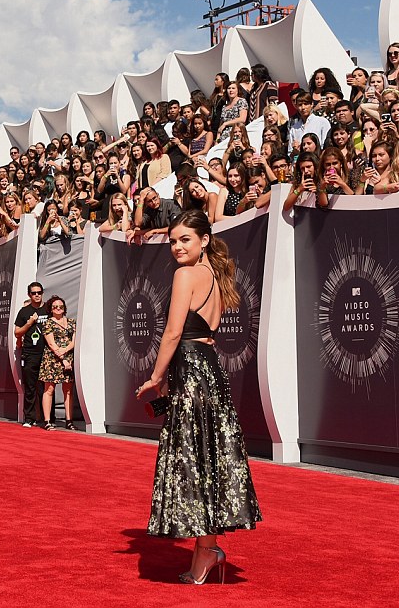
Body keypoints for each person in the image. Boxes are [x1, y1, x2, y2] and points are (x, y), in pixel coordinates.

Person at [136, 210, 261, 584]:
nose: (176, 247)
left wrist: (156, 377)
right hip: (210, 370)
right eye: (173, 241)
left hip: (190, 371)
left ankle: (206, 551)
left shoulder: (185, 275)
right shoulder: (216, 277)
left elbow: (173, 333)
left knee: (192, 457)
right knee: (207, 457)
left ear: (204, 240)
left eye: (185, 239)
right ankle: (205, 551)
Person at [39, 296, 77, 431]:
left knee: (68, 390)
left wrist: (66, 351)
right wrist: (63, 358)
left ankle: (69, 421)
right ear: (50, 309)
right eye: (55, 307)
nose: (58, 309)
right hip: (52, 360)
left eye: (61, 306)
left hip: (69, 358)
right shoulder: (48, 323)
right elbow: (51, 343)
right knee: (49, 390)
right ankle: (47, 421)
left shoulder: (72, 322)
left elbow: (74, 341)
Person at [14, 282, 48, 428]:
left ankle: (46, 419)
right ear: (29, 295)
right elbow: (17, 333)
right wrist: (29, 323)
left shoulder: (48, 309)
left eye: (39, 292)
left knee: (46, 388)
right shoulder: (24, 311)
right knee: (30, 387)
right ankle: (29, 418)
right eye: (34, 293)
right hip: (30, 354)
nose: (37, 295)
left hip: (47, 353)